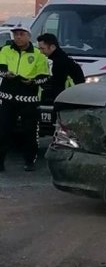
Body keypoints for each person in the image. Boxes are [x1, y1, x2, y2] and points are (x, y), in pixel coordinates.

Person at [0, 24, 50, 172]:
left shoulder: (38, 54)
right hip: (7, 98)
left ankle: (29, 161)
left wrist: (33, 81)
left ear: (29, 36)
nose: (18, 37)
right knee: (3, 131)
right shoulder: (5, 50)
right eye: (16, 34)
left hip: (29, 100)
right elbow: (0, 67)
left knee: (30, 132)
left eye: (21, 34)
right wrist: (5, 74)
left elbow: (45, 77)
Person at [36, 33, 85, 104]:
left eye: (43, 48)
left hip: (61, 99)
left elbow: (56, 83)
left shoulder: (59, 62)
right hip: (68, 98)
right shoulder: (64, 58)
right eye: (39, 49)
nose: (40, 52)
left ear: (52, 47)